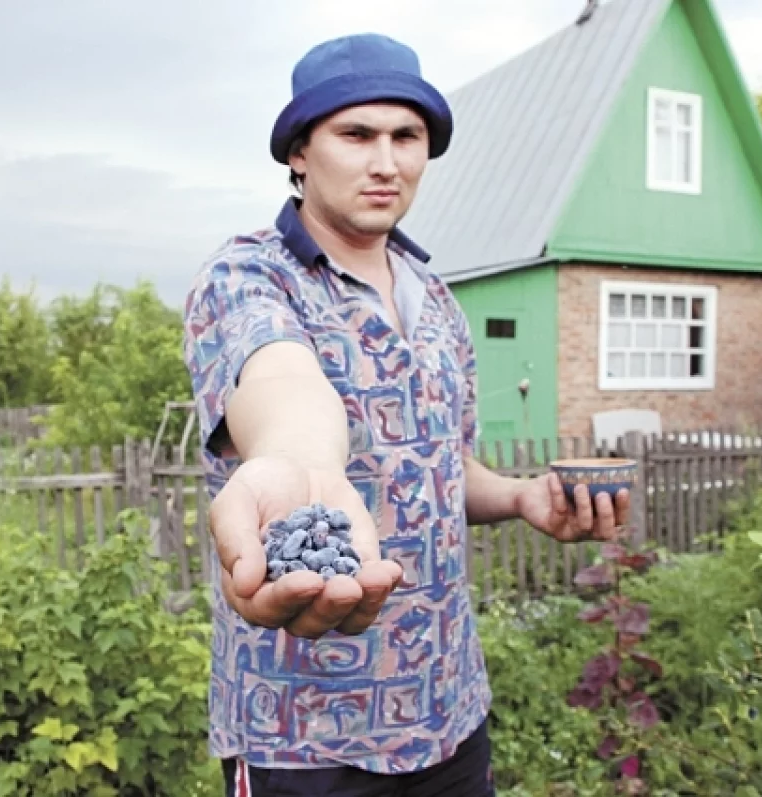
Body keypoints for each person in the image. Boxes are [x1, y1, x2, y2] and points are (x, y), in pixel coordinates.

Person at [181, 32, 629, 797]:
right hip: (305, 736)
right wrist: (303, 461)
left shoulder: (439, 301)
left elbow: (444, 466)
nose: (386, 162)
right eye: (357, 135)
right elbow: (279, 379)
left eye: (406, 136)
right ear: (300, 152)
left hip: (448, 712)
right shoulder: (250, 274)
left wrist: (521, 495)